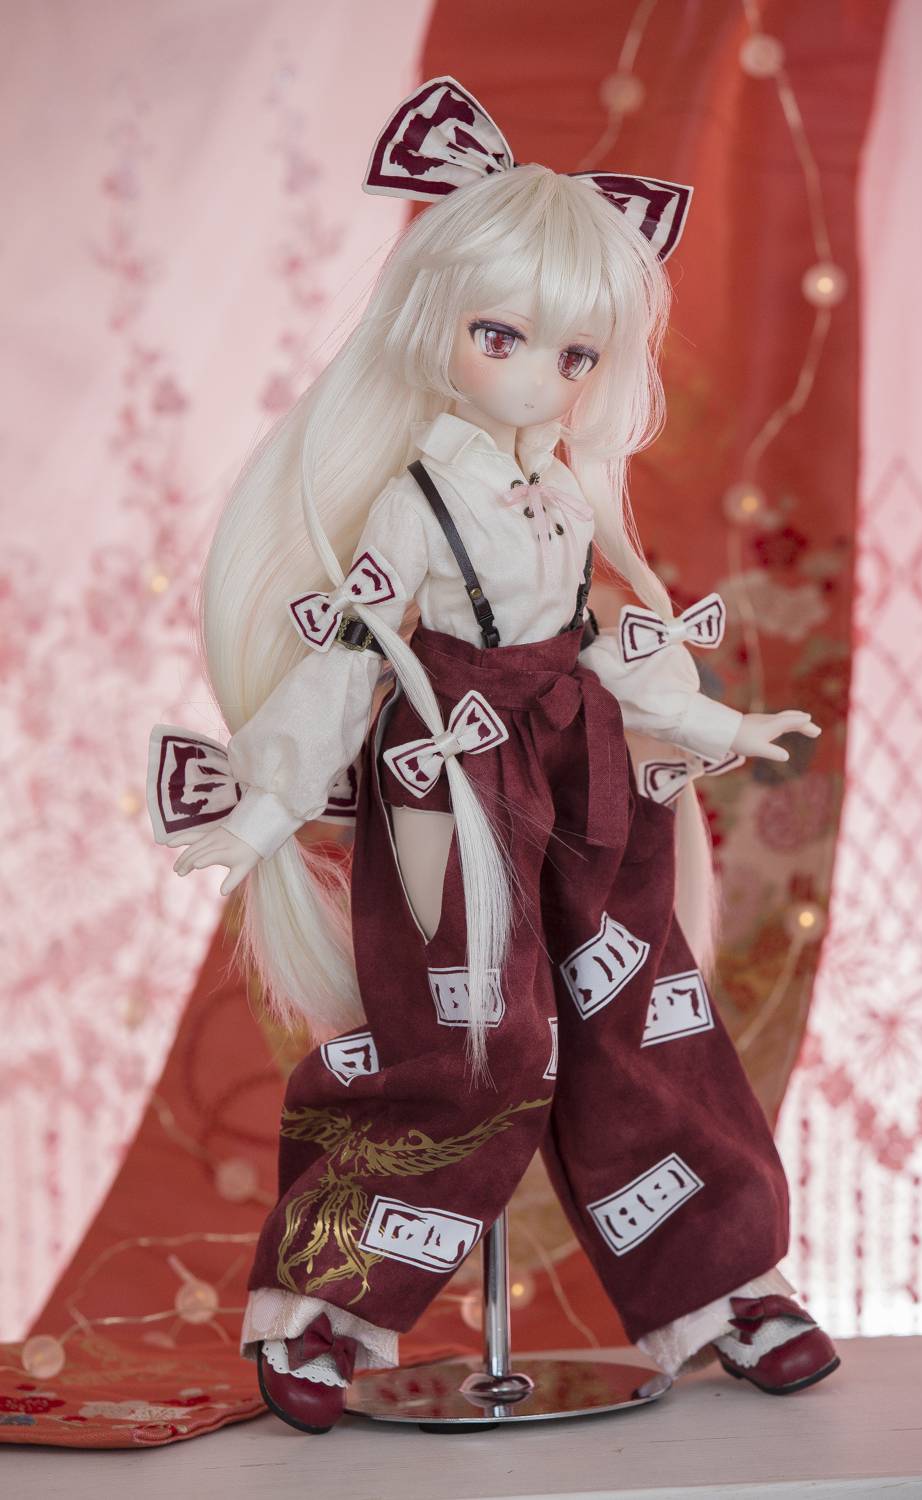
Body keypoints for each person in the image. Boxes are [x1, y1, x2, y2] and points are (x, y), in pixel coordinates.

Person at [147, 76, 840, 1435]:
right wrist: (264, 804)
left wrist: (721, 727)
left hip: (584, 756)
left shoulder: (567, 490)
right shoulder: (415, 500)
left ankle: (723, 1287)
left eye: (576, 355)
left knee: (645, 1013)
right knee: (469, 1036)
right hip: (449, 774)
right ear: (438, 327)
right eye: (503, 337)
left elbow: (605, 645)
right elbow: (354, 656)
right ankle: (326, 1306)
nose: (541, 377)